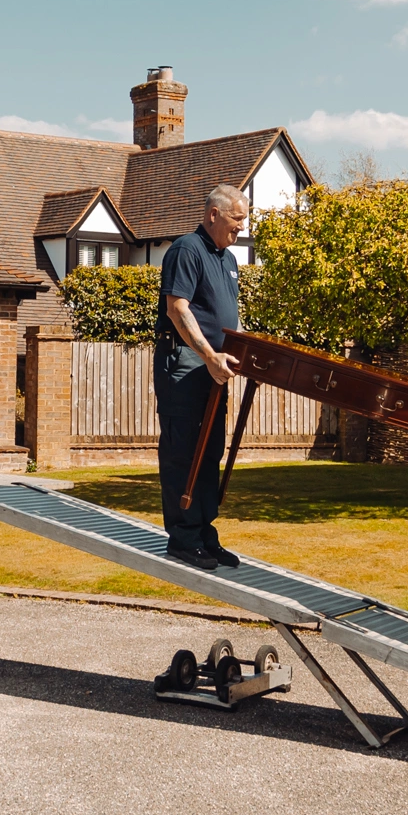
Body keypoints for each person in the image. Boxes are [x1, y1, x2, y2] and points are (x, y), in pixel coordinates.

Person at [152, 185, 249, 571]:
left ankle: (205, 534)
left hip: (213, 368)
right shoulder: (186, 250)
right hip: (186, 363)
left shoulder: (228, 260)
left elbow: (228, 317)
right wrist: (209, 356)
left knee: (210, 450)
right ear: (213, 214)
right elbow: (177, 309)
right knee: (184, 450)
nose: (242, 227)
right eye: (237, 218)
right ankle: (183, 538)